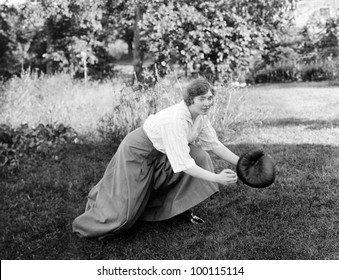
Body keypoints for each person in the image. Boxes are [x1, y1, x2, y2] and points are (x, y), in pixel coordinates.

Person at [72, 77, 239, 239]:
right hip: (137, 153)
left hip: (162, 153)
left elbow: (214, 144)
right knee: (124, 214)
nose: (208, 103)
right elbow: (185, 164)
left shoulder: (200, 117)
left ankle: (180, 211)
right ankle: (88, 224)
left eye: (210, 98)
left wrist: (242, 163)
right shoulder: (175, 119)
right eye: (202, 99)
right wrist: (216, 178)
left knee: (200, 157)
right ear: (190, 100)